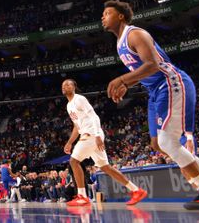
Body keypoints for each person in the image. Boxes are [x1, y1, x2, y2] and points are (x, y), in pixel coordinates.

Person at [103, 0, 199, 210]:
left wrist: (123, 80)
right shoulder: (119, 44)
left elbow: (153, 65)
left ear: (120, 16)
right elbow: (143, 70)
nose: (103, 17)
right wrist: (130, 83)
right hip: (155, 91)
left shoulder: (135, 34)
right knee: (158, 143)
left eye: (107, 13)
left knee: (168, 141)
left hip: (170, 83)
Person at [60, 78, 147, 206]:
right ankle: (136, 190)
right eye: (63, 85)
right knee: (106, 168)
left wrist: (97, 135)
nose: (65, 86)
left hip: (91, 134)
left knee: (74, 161)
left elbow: (93, 116)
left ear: (74, 87)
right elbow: (77, 127)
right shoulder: (69, 106)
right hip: (88, 134)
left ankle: (82, 196)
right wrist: (69, 142)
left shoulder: (80, 99)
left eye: (68, 84)